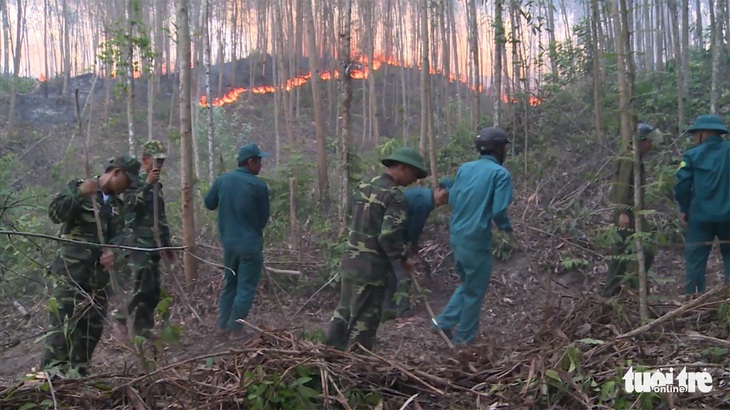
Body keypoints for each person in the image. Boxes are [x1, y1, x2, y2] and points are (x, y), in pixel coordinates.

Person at [41, 155, 139, 375]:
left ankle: (77, 383)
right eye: (128, 180)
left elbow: (120, 239)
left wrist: (114, 253)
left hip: (98, 282)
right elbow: (55, 214)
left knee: (89, 334)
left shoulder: (117, 207)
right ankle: (49, 384)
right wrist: (80, 194)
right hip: (70, 276)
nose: (129, 186)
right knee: (60, 333)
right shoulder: (79, 187)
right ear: (116, 172)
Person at [325, 147, 428, 352]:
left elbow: (351, 217)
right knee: (364, 320)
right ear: (402, 168)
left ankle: (330, 354)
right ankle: (356, 368)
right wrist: (403, 259)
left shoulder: (363, 186)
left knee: (343, 311)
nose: (414, 180)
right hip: (371, 270)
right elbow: (389, 236)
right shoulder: (395, 197)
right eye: (414, 174)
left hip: (350, 262)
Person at [431, 127, 513, 346]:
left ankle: (443, 323)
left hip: (457, 237)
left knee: (468, 284)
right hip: (477, 240)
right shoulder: (500, 174)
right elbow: (498, 211)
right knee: (475, 292)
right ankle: (463, 341)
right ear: (498, 149)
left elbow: (454, 199)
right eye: (504, 148)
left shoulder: (465, 169)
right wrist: (506, 228)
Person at [205, 143, 270, 340]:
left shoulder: (222, 180)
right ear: (250, 162)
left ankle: (223, 325)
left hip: (229, 245)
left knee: (230, 284)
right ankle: (236, 329)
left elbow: (209, 203)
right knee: (246, 287)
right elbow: (263, 219)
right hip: (249, 244)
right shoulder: (259, 186)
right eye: (259, 161)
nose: (261, 165)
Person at [113, 140, 173, 339]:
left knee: (153, 288)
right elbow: (129, 207)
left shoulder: (158, 186)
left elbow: (160, 218)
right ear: (145, 160)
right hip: (138, 243)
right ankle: (121, 317)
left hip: (154, 244)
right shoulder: (134, 184)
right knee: (140, 285)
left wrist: (166, 244)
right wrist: (146, 185)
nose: (159, 166)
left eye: (162, 162)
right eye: (156, 161)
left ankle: (143, 327)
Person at [602, 123, 663, 297]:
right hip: (626, 213)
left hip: (634, 212)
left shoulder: (636, 157)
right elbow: (621, 186)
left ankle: (633, 286)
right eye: (648, 142)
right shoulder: (629, 158)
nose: (650, 145)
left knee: (647, 249)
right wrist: (622, 211)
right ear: (641, 141)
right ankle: (609, 293)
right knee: (620, 252)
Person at [382, 177, 453, 321]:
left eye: (448, 199)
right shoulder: (424, 201)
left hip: (389, 234)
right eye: (444, 196)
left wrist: (412, 247)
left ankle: (388, 310)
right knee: (403, 273)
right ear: (437, 189)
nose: (444, 201)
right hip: (392, 236)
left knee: (391, 273)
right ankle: (403, 312)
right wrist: (408, 248)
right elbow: (414, 228)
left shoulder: (423, 196)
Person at [674, 114, 730, 295]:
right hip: (728, 217)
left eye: (695, 134)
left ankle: (694, 301)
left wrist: (683, 209)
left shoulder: (691, 155)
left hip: (699, 218)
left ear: (703, 133)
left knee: (696, 261)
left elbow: (681, 185)